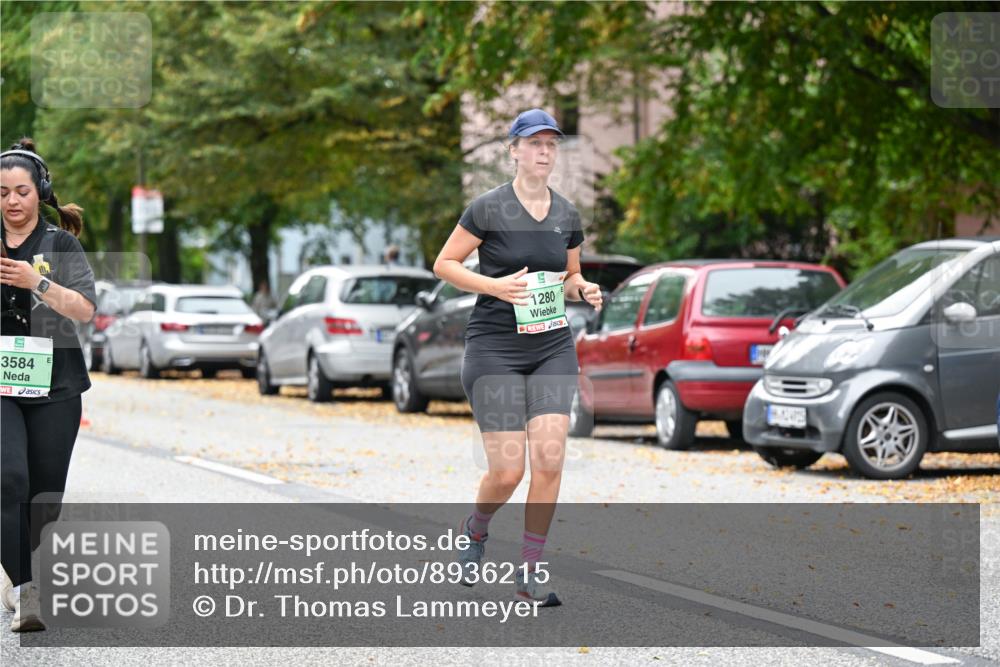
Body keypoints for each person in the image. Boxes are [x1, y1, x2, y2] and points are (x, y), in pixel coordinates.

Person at [433, 109, 603, 607]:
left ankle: (530, 570)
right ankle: (476, 528)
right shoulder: (487, 208)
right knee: (507, 472)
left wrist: (584, 287)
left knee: (549, 458)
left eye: (551, 144)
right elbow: (444, 263)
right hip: (494, 349)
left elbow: (569, 276)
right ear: (513, 149)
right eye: (534, 143)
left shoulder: (567, 214)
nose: (544, 151)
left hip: (551, 346)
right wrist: (494, 286)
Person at [0, 138, 97, 632]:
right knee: (7, 479)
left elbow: (84, 310)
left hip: (56, 383)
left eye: (21, 191)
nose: (12, 201)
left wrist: (33, 281)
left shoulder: (61, 244)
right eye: (2, 193)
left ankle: (17, 559)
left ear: (40, 193)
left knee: (44, 500)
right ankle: (25, 590)